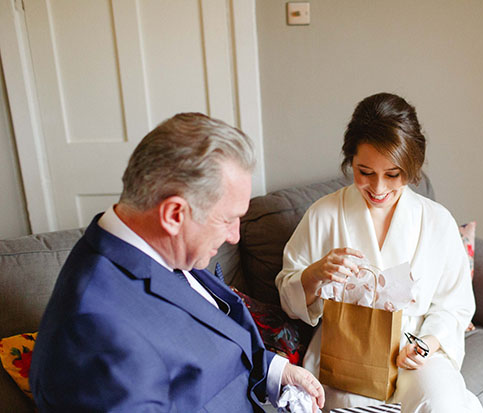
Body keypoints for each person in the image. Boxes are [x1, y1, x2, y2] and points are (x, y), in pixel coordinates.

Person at [30, 113, 325, 412]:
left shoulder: (161, 249)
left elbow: (206, 340)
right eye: (228, 219)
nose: (235, 236)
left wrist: (276, 372)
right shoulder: (95, 333)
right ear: (174, 215)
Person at [276, 93, 483, 412]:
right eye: (365, 172)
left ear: (412, 169)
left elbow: (455, 304)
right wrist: (315, 273)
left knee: (442, 403)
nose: (378, 188)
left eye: (392, 174)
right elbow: (289, 302)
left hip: (413, 348)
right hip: (346, 353)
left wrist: (427, 345)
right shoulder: (324, 215)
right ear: (350, 162)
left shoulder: (437, 221)